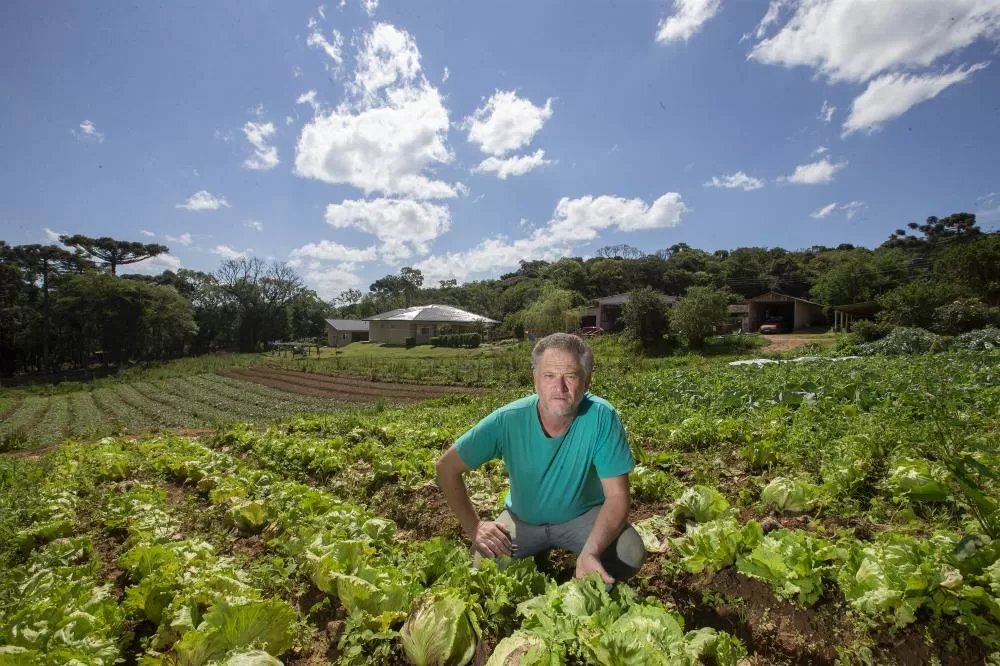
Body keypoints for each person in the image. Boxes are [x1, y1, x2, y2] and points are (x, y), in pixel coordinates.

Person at [435, 332, 647, 584]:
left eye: (571, 376)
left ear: (587, 381)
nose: (560, 387)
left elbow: (617, 497)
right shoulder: (508, 420)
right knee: (481, 568)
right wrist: (475, 528)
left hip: (581, 518)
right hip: (523, 521)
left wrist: (591, 551)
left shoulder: (601, 416)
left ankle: (581, 569)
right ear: (534, 378)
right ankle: (536, 555)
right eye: (549, 376)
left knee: (629, 552)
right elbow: (446, 468)